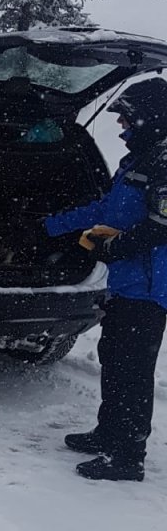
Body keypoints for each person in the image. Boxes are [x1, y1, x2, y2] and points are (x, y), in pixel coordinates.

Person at [45, 77, 167, 482]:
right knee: (115, 361)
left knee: (133, 371)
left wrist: (111, 250)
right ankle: (108, 432)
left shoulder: (164, 164)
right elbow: (109, 209)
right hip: (125, 283)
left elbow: (159, 228)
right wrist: (54, 225)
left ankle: (128, 455)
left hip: (149, 290)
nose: (122, 128)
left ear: (150, 118)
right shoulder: (140, 159)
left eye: (128, 120)